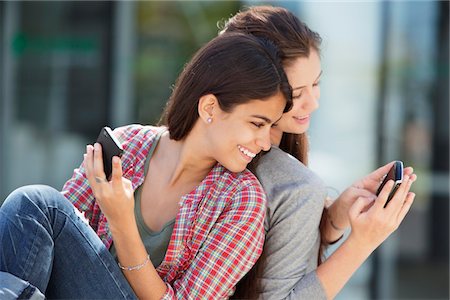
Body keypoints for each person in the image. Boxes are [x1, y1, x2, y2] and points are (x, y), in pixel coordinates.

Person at [0, 32, 293, 299]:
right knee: (32, 207)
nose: (265, 142)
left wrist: (122, 221)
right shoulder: (129, 145)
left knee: (41, 204)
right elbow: (49, 241)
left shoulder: (242, 201)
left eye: (269, 127)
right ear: (210, 108)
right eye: (257, 124)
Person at [221, 6, 417, 300]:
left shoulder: (211, 151)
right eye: (297, 94)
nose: (312, 103)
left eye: (316, 83)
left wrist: (331, 219)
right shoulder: (289, 183)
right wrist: (362, 243)